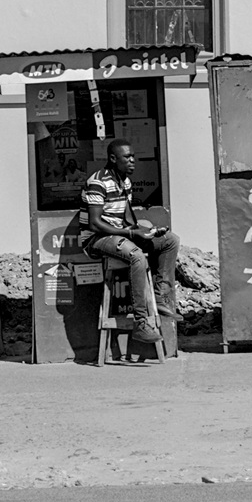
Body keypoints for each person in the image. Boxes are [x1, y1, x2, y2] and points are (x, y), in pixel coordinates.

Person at [79, 137, 179, 352]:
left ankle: (161, 297)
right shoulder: (98, 182)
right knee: (137, 256)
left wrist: (145, 232)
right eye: (127, 157)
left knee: (170, 241)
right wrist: (131, 233)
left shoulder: (125, 182)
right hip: (95, 239)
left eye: (133, 156)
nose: (132, 160)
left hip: (118, 233)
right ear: (113, 159)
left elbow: (125, 219)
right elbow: (95, 224)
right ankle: (141, 322)